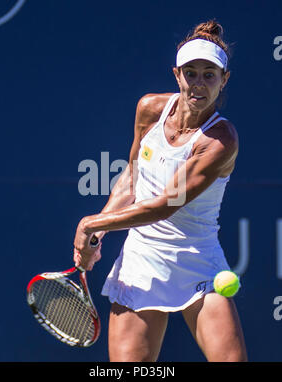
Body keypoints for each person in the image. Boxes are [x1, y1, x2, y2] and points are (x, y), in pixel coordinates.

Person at [73, 20, 248, 362]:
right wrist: (100, 232)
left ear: (224, 79)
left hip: (198, 260)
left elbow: (168, 203)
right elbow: (133, 176)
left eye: (209, 75)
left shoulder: (221, 140)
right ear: (177, 74)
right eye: (191, 73)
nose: (198, 84)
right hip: (142, 258)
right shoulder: (150, 108)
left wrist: (92, 224)